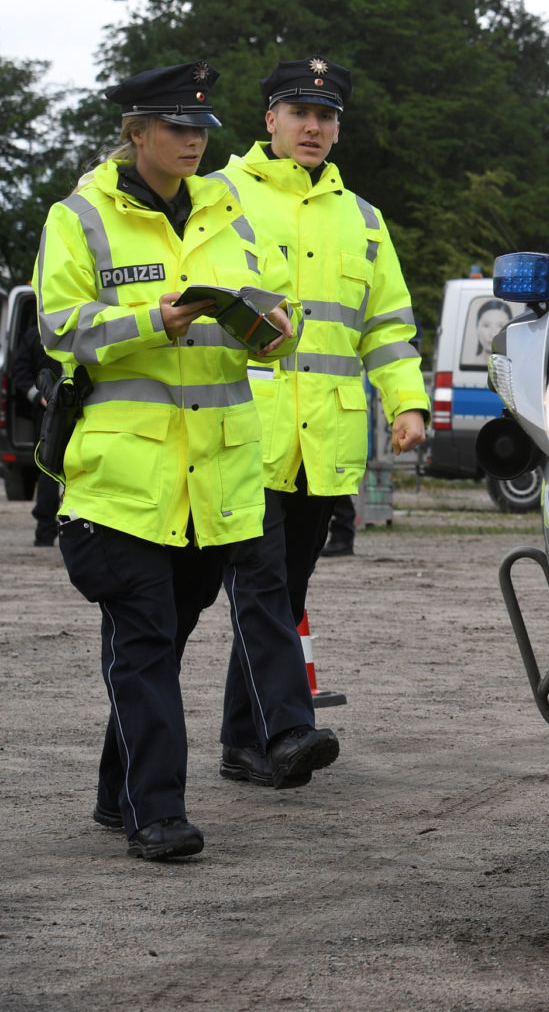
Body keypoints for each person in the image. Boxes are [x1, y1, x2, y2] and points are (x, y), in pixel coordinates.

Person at [39, 61, 337, 861]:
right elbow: (60, 326)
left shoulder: (226, 206)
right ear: (136, 133)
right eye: (177, 127)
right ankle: (157, 815)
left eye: (202, 127)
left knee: (162, 644)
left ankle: (118, 792)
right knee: (143, 642)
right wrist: (151, 320)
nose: (195, 140)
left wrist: (275, 328)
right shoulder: (80, 216)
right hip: (123, 485)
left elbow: (281, 307)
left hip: (216, 484)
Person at [209, 57, 429, 779]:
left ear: (337, 129)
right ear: (268, 119)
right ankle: (288, 728)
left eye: (325, 116)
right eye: (299, 112)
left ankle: (243, 743)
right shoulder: (217, 199)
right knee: (262, 583)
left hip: (323, 443)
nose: (313, 126)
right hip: (240, 432)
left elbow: (387, 329)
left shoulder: (362, 219)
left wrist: (409, 403)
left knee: (284, 589)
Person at [8, 318, 63, 546]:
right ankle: (48, 531)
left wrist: (37, 396)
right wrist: (39, 397)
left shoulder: (35, 334)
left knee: (49, 470)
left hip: (50, 413)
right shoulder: (77, 329)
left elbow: (17, 371)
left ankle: (45, 532)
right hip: (57, 412)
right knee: (52, 473)